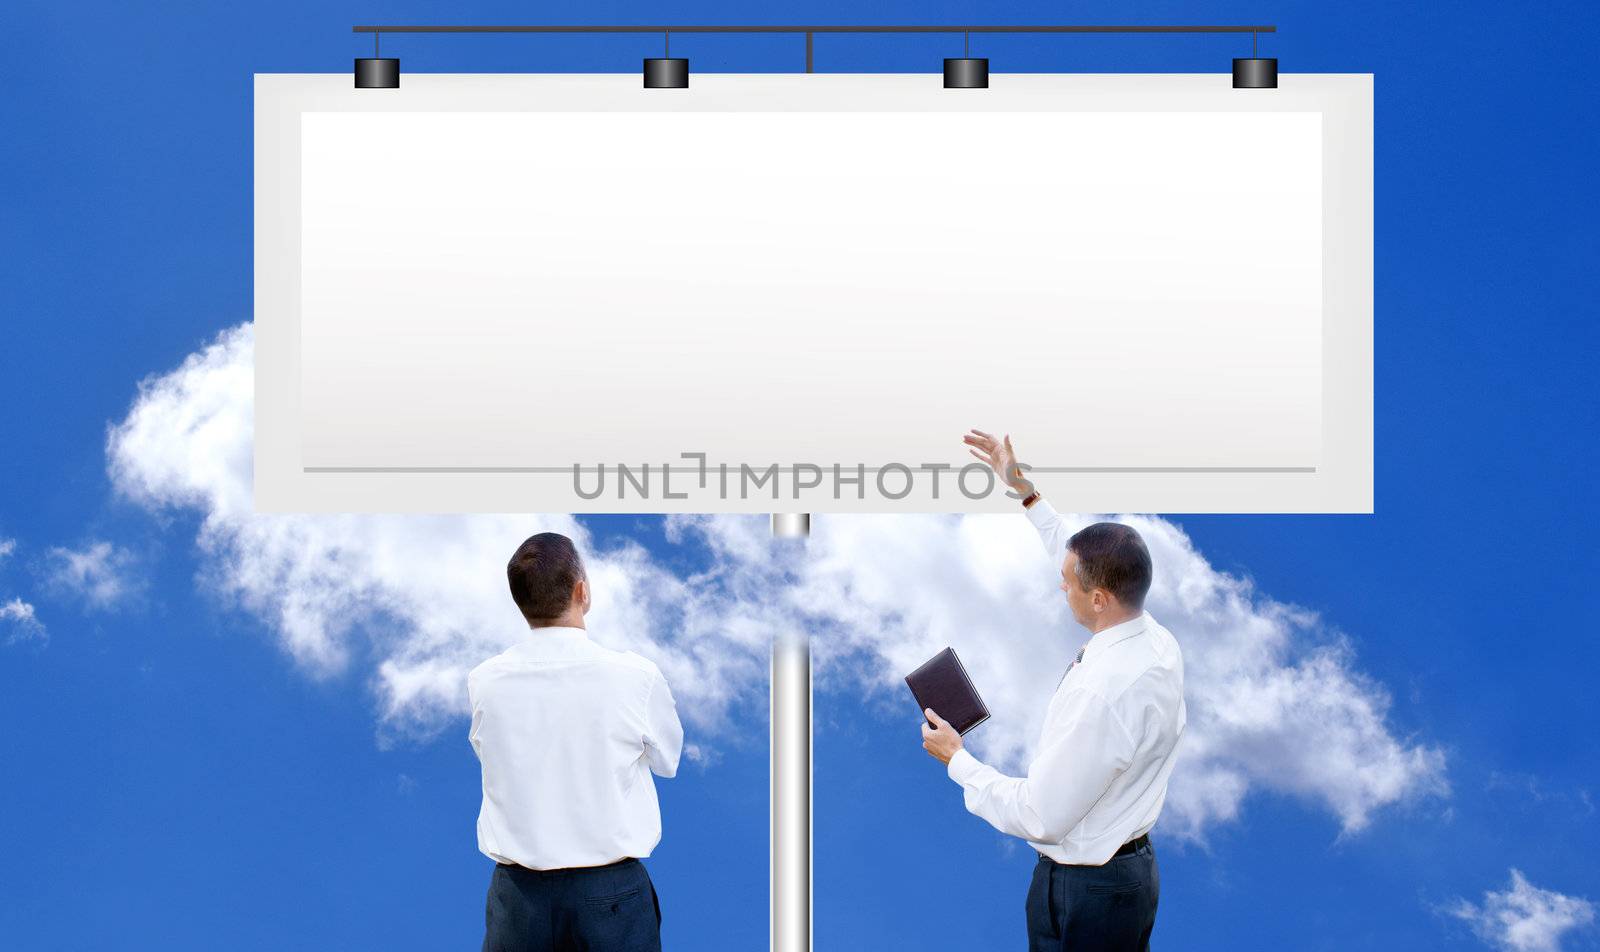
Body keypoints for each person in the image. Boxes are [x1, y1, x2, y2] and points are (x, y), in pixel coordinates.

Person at [918, 430, 1187, 951]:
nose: (1060, 587)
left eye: (1068, 584)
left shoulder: (1103, 695)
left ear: (1102, 597)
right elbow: (1076, 555)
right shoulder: (1156, 639)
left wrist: (957, 761)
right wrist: (1025, 493)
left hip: (1087, 891)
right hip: (1131, 875)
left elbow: (1041, 816)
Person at [469, 532, 683, 952]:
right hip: (611, 894)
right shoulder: (636, 677)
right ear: (581, 591)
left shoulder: (484, 680)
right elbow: (667, 761)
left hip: (518, 896)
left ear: (520, 602)